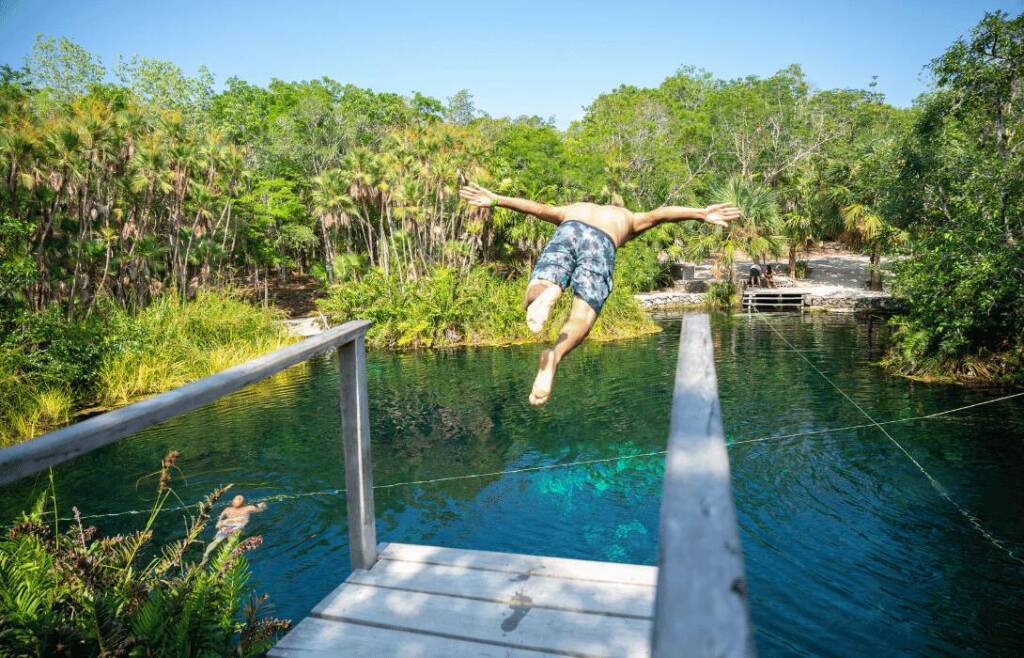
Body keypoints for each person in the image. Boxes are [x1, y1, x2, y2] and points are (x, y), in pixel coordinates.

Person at [459, 183, 739, 405]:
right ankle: (554, 356)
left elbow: (537, 208)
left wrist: (496, 199)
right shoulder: (628, 219)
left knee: (537, 288)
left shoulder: (576, 207)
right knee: (583, 315)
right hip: (601, 242)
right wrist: (701, 213)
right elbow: (661, 214)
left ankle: (551, 289)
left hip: (568, 230)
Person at [203, 495, 267, 560]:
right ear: (244, 503)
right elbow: (260, 510)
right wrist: (262, 505)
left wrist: (218, 524)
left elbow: (220, 519)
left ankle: (206, 553)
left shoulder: (227, 509)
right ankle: (221, 558)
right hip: (236, 527)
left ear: (232, 502)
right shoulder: (248, 508)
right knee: (230, 543)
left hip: (225, 527)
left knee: (216, 541)